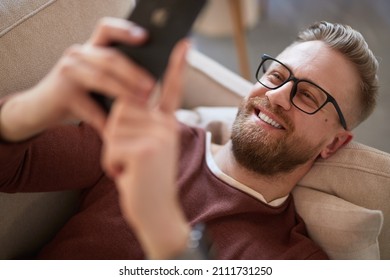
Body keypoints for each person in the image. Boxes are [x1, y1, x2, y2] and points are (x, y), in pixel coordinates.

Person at [0, 18, 378, 260]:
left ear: (333, 144)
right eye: (277, 76)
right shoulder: (153, 141)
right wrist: (40, 104)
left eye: (308, 96)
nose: (277, 96)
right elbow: (11, 166)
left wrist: (169, 241)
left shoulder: (293, 258)